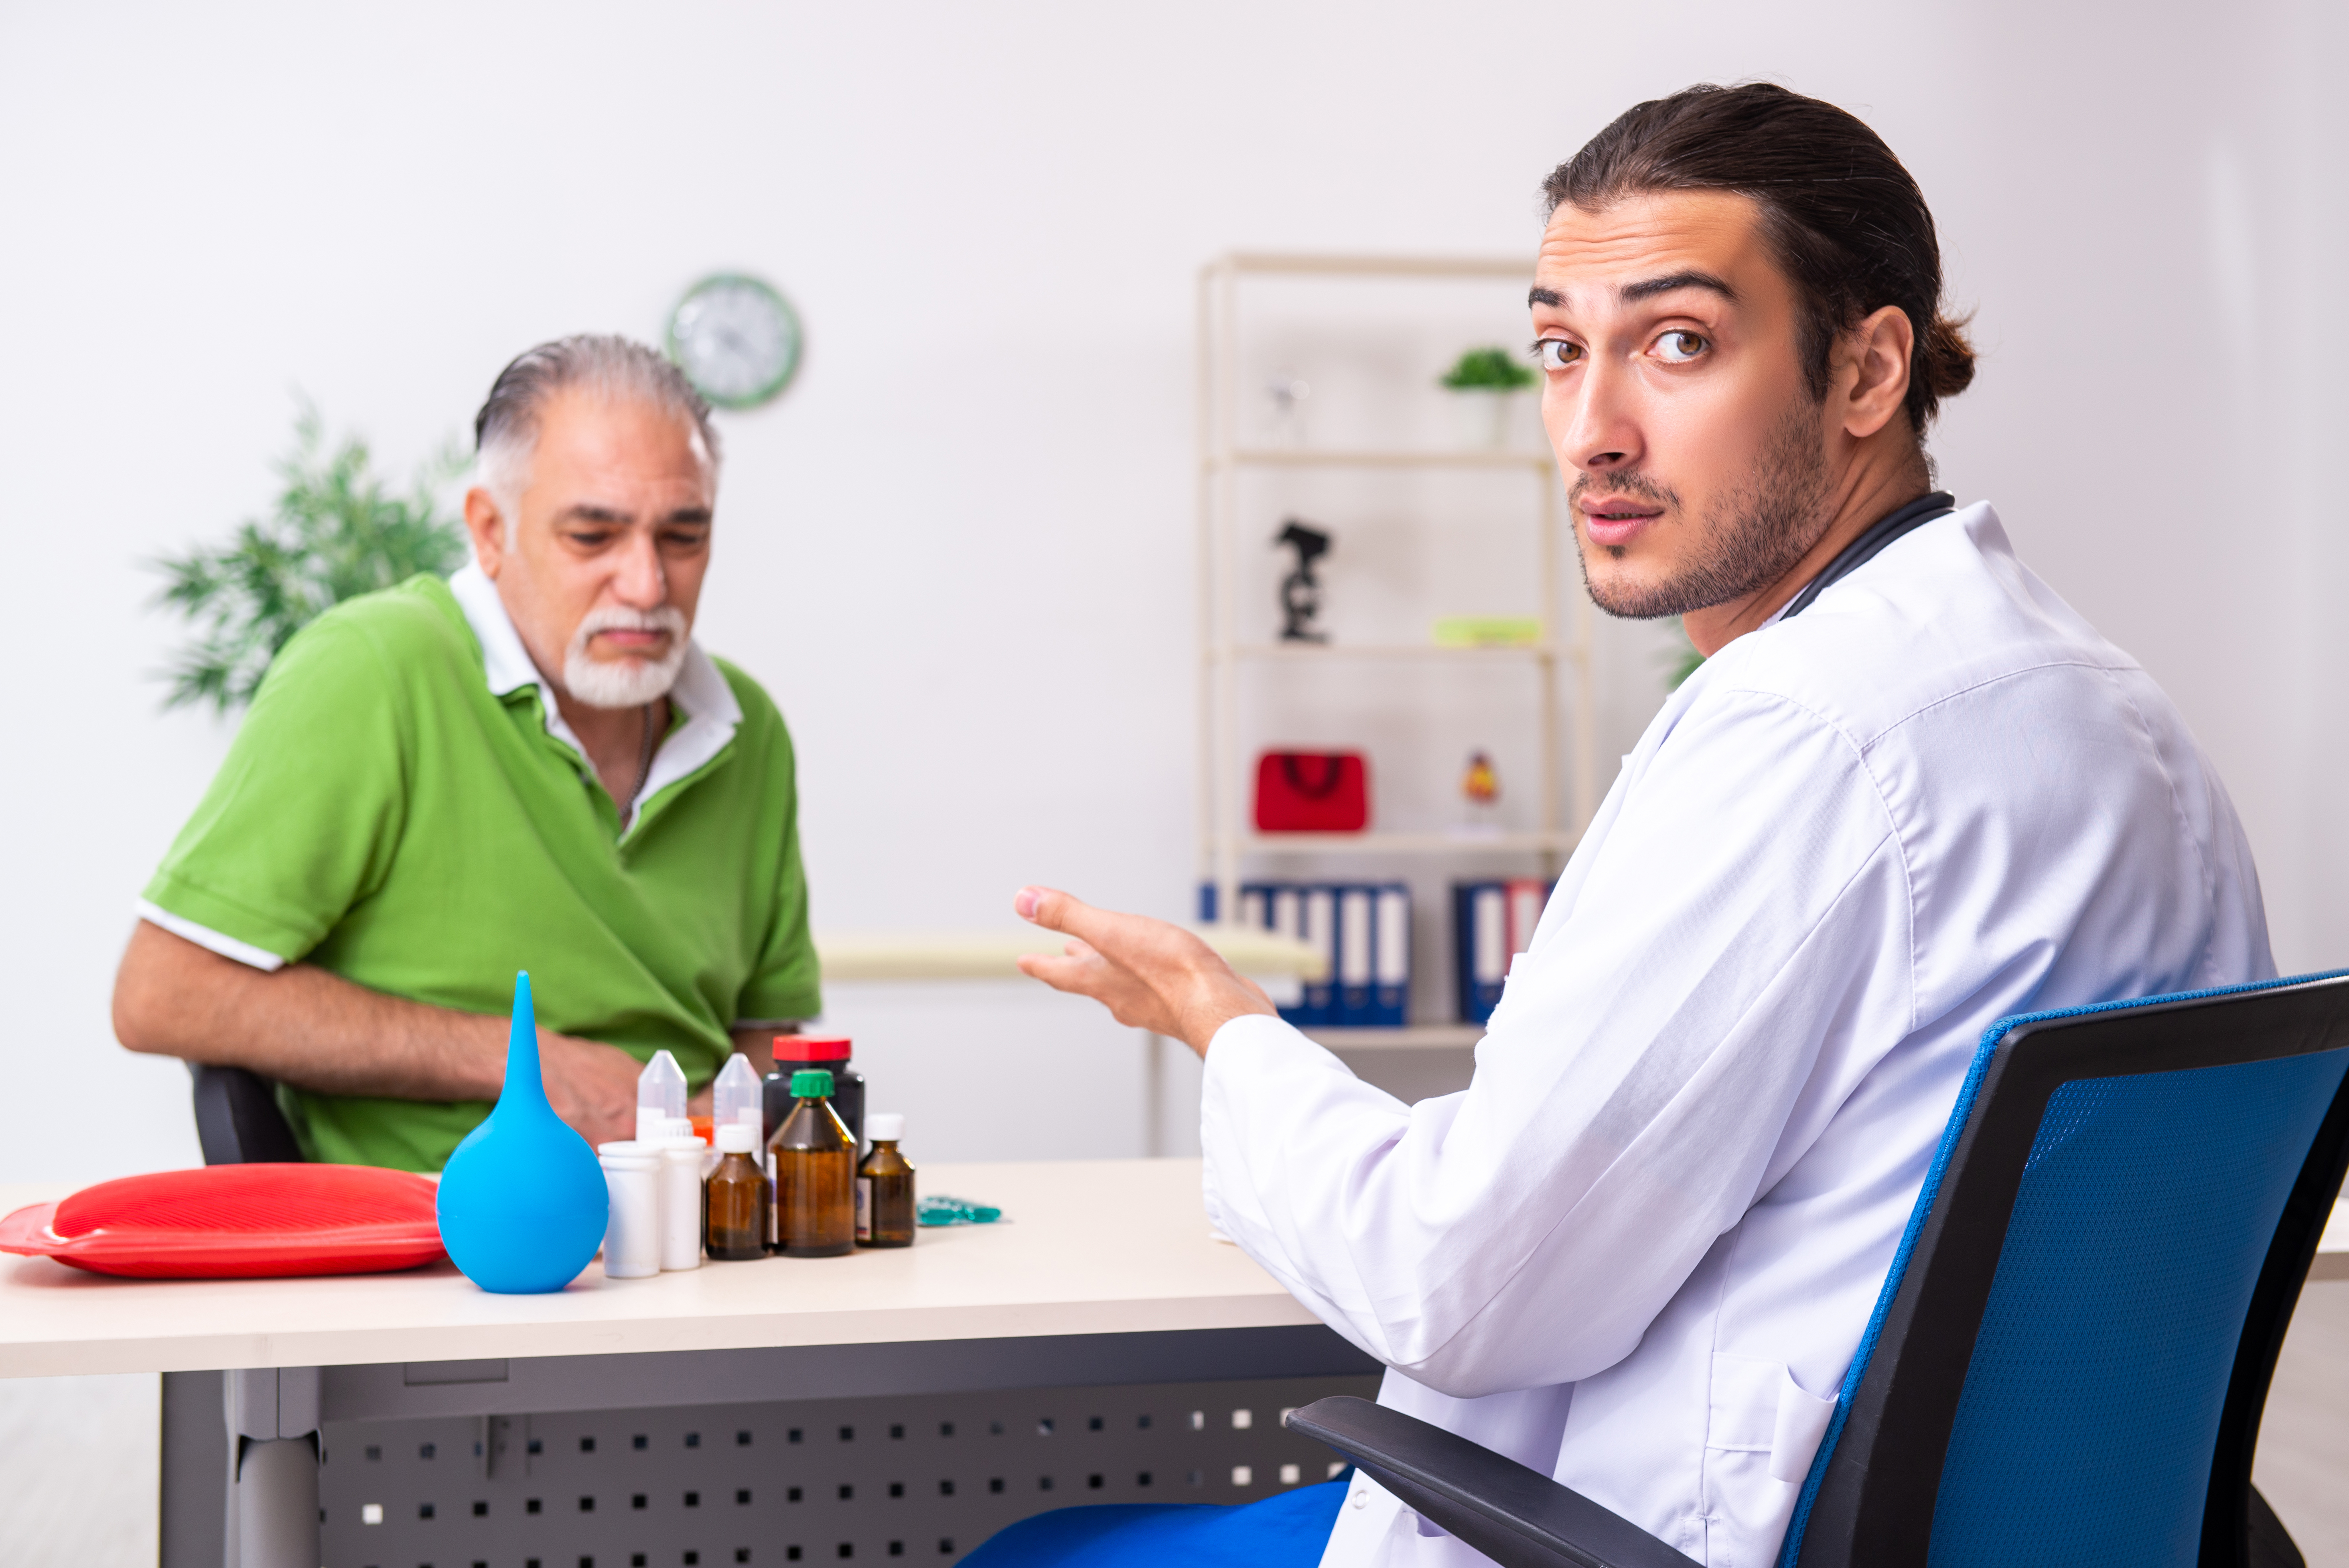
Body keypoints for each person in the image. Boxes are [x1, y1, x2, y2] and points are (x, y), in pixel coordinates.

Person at [990, 84, 2270, 1568]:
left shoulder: (1810, 731)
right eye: (1557, 349)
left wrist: (1225, 1029)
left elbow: (1462, 1282)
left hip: (1702, 1539)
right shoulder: (2115, 711)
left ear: (1866, 370)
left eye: (1676, 344)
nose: (1590, 432)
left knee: (1028, 1554)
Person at [113, 335, 818, 1170]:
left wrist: (714, 1124)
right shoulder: (374, 669)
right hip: (437, 1257)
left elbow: (771, 1039)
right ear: (490, 530)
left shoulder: (749, 727)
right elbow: (162, 995)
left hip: (692, 1228)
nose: (647, 585)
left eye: (683, 536)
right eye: (594, 536)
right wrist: (524, 1063)